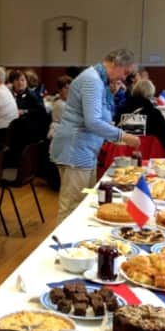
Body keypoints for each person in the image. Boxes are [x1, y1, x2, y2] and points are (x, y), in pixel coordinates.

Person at [50, 49, 140, 224]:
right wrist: (123, 136)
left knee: (81, 202)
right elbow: (93, 122)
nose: (124, 78)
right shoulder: (93, 81)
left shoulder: (97, 80)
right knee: (72, 206)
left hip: (82, 149)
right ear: (116, 64)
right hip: (76, 149)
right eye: (125, 72)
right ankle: (62, 248)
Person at [116, 79, 165, 153]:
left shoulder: (122, 110)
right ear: (150, 94)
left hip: (123, 153)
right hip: (148, 155)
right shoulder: (154, 113)